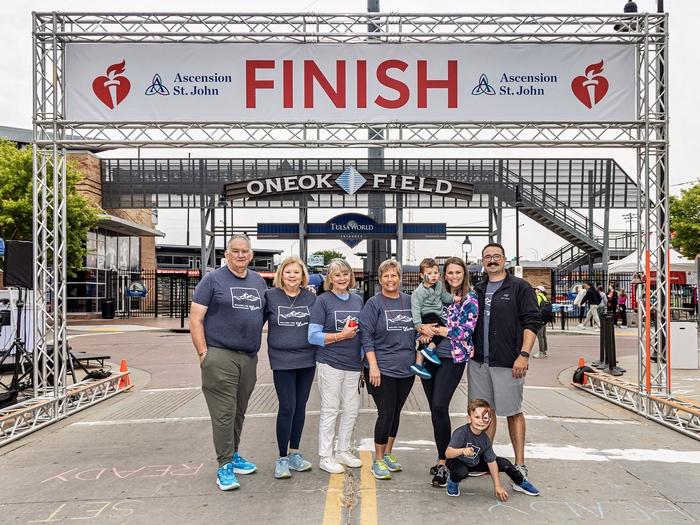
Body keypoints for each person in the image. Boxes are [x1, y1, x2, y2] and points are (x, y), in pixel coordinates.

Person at [190, 234, 268, 491]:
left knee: (238, 411)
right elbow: (195, 319)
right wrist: (203, 353)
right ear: (226, 254)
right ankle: (224, 465)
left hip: (248, 357)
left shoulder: (258, 281)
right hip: (220, 354)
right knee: (224, 412)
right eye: (235, 250)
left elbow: (262, 314)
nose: (240, 255)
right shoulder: (212, 280)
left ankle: (233, 455)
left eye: (245, 251)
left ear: (251, 254)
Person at [469, 242, 541, 486]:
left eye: (496, 256)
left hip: (508, 361)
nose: (492, 260)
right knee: (483, 413)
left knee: (512, 412)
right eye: (487, 257)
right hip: (479, 362)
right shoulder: (477, 289)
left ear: (505, 259)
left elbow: (532, 322)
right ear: (482, 261)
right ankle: (485, 460)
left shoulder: (520, 287)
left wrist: (524, 354)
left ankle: (520, 464)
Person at [419, 257, 478, 488]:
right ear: (445, 275)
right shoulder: (436, 294)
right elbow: (422, 316)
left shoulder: (470, 298)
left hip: (452, 358)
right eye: (450, 273)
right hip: (428, 355)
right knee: (435, 410)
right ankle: (442, 457)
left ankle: (445, 462)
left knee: (439, 405)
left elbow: (466, 331)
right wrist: (422, 329)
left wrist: (441, 330)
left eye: (458, 272)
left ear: (464, 274)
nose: (454, 276)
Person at [359, 259, 416, 480]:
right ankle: (379, 459)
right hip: (381, 369)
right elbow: (366, 336)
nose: (390, 280)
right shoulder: (374, 304)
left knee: (396, 412)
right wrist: (373, 366)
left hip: (406, 368)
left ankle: (389, 453)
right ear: (380, 279)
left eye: (394, 275)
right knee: (385, 412)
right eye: (386, 276)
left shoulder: (410, 301)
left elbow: (419, 327)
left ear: (400, 278)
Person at [308, 258, 364, 474]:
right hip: (330, 363)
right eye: (337, 275)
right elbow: (313, 336)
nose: (342, 278)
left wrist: (363, 360)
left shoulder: (357, 300)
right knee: (330, 409)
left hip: (353, 364)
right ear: (330, 278)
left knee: (351, 410)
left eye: (345, 274)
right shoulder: (322, 301)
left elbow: (362, 333)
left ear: (351, 276)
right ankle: (325, 456)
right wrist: (341, 336)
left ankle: (343, 450)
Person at [264, 256, 317, 479]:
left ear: (303, 275)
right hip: (282, 361)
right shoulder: (270, 296)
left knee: (300, 406)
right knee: (287, 406)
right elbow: (254, 322)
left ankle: (295, 453)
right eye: (288, 272)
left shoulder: (311, 298)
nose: (292, 276)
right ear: (281, 275)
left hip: (307, 359)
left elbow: (320, 326)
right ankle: (282, 457)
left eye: (296, 272)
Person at [445, 398, 540, 499]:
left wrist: (497, 486)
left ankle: (520, 482)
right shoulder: (461, 433)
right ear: (469, 418)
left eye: (485, 417)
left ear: (490, 420)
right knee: (461, 472)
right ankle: (452, 481)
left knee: (505, 464)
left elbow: (491, 462)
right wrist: (462, 450)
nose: (481, 421)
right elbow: (448, 453)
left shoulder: (485, 439)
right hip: (457, 461)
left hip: (475, 462)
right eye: (477, 417)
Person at [409, 257, 460, 380]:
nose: (433, 276)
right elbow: (415, 309)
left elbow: (445, 296)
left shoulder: (438, 286)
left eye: (436, 273)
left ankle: (418, 364)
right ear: (422, 275)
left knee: (425, 339)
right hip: (426, 315)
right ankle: (430, 349)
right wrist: (418, 325)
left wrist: (453, 298)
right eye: (429, 273)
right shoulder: (418, 292)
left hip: (435, 315)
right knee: (441, 329)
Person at [534, 286, 551, 359]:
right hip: (544, 318)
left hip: (539, 318)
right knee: (543, 335)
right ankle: (544, 351)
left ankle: (541, 352)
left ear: (539, 290)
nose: (535, 290)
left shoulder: (538, 297)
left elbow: (535, 308)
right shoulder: (544, 297)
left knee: (539, 336)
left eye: (536, 289)